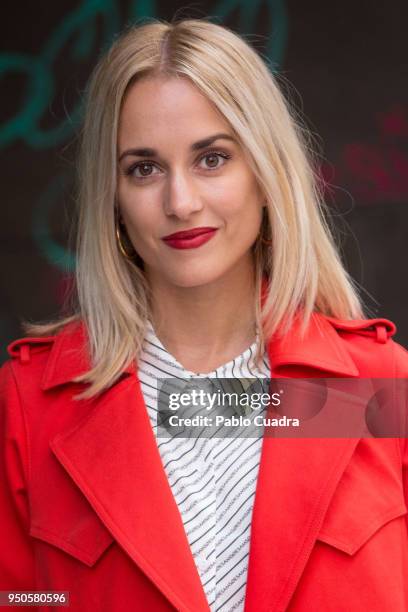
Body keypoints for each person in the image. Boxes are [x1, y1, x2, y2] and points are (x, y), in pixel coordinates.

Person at [1, 17, 408, 612]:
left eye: (212, 159)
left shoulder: (382, 387)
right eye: (144, 168)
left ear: (265, 175)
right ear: (112, 197)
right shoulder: (28, 407)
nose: (181, 202)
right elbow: (19, 597)